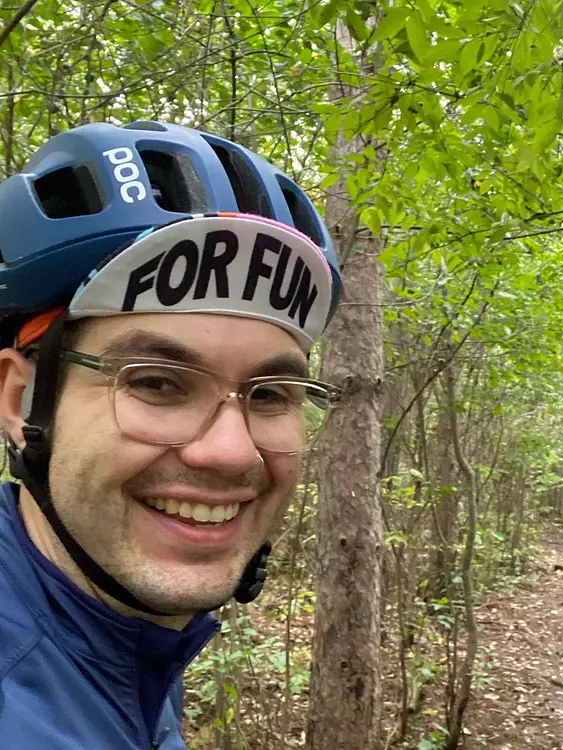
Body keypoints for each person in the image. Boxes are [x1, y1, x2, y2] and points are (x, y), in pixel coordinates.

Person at [0, 121, 342, 748]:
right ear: (20, 401)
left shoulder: (116, 629)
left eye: (270, 394)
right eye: (157, 383)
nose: (231, 451)